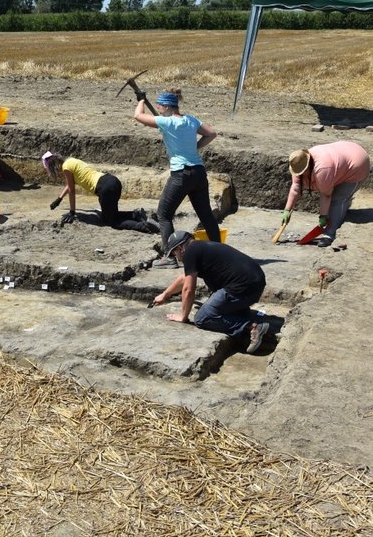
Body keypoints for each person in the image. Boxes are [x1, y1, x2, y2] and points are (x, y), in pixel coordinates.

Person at [133, 88, 221, 268]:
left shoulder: (167, 122)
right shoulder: (190, 120)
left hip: (181, 174)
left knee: (164, 215)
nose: (158, 109)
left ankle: (169, 257)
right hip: (198, 172)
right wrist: (194, 148)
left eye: (159, 106)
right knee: (206, 216)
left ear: (166, 106)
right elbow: (211, 134)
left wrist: (141, 100)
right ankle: (219, 253)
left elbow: (138, 116)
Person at [151, 230, 269, 354]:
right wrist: (165, 294)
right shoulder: (201, 247)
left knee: (202, 317)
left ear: (181, 248)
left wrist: (183, 316)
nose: (176, 256)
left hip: (242, 287)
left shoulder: (190, 252)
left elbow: (188, 289)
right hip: (255, 285)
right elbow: (184, 279)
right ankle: (242, 314)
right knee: (215, 305)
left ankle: (253, 327)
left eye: (174, 252)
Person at [42, 151, 160, 232]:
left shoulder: (66, 168)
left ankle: (143, 226)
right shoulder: (71, 161)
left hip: (105, 189)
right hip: (111, 181)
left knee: (111, 222)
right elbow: (69, 185)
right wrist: (59, 199)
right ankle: (136, 214)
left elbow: (72, 190)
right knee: (111, 214)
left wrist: (72, 212)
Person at [280, 141, 370, 247]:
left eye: (303, 172)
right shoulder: (298, 164)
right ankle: (340, 213)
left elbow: (326, 195)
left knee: (338, 199)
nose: (300, 175)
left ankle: (329, 234)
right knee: (331, 193)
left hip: (357, 165)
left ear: (308, 166)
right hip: (345, 154)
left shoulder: (322, 169)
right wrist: (287, 210)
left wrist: (323, 217)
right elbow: (296, 188)